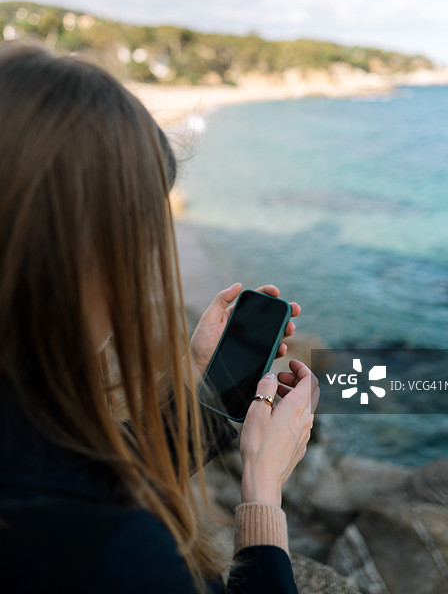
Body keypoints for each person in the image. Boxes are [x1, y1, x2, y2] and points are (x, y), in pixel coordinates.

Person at [0, 41, 320, 593]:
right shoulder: (112, 553)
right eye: (144, 234)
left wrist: (206, 382)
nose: (148, 262)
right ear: (82, 254)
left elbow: (79, 470)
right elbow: (83, 505)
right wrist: (262, 493)